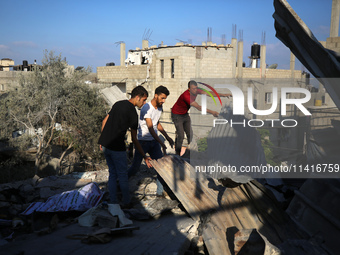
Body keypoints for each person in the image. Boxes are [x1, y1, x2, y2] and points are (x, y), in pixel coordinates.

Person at [98, 85, 152, 207]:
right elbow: (134, 139)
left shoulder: (118, 104)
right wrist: (144, 155)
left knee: (112, 174)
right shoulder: (133, 114)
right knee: (122, 175)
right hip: (117, 147)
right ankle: (126, 202)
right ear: (137, 97)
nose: (144, 103)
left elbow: (104, 121)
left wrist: (102, 139)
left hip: (106, 145)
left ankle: (113, 202)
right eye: (144, 100)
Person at [128, 85, 174, 196]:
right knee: (135, 168)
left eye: (165, 99)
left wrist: (167, 137)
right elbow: (150, 128)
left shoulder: (159, 108)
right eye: (162, 98)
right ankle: (121, 182)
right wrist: (162, 143)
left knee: (160, 167)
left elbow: (156, 124)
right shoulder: (146, 108)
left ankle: (160, 193)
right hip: (143, 142)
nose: (163, 101)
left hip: (153, 142)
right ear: (156, 95)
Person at [171, 80, 231, 155]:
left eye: (196, 88)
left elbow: (209, 94)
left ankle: (189, 153)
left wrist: (223, 95)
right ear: (189, 89)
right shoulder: (186, 96)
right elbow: (199, 107)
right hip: (176, 115)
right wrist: (212, 112)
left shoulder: (196, 90)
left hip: (184, 114)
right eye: (193, 89)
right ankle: (177, 155)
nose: (195, 90)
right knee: (181, 135)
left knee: (190, 134)